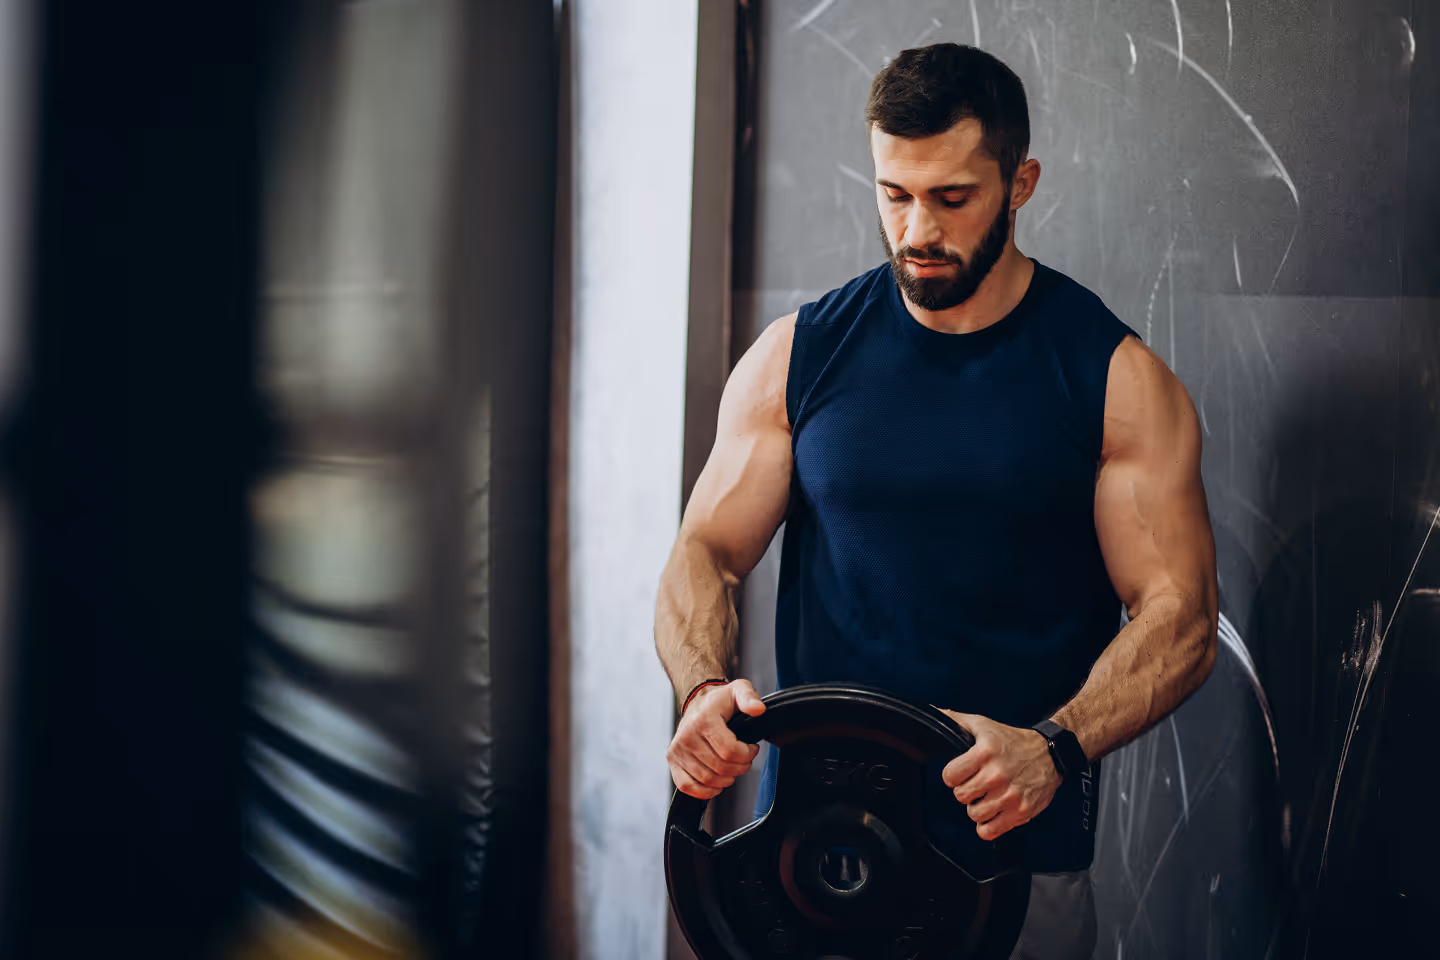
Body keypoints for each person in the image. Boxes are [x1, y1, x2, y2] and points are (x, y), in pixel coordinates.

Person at [654, 42, 1217, 960]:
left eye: (952, 198)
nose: (917, 229)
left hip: (1009, 863)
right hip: (813, 844)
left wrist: (1059, 747)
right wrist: (701, 689)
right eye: (894, 193)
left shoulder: (1113, 379)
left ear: (1020, 181)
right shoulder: (798, 357)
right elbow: (704, 553)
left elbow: (1182, 615)